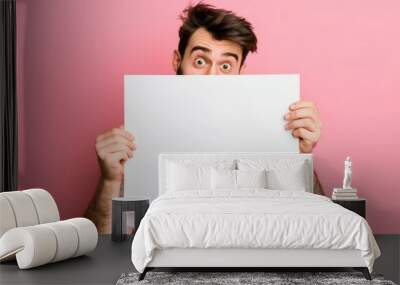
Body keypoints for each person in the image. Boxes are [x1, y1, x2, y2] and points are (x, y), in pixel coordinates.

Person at [85, 3, 323, 234]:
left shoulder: (268, 136)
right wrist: (110, 180)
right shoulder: (139, 140)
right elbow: (103, 245)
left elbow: (319, 227)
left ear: (241, 73)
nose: (211, 76)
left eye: (226, 66)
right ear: (177, 62)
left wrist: (302, 157)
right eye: (200, 61)